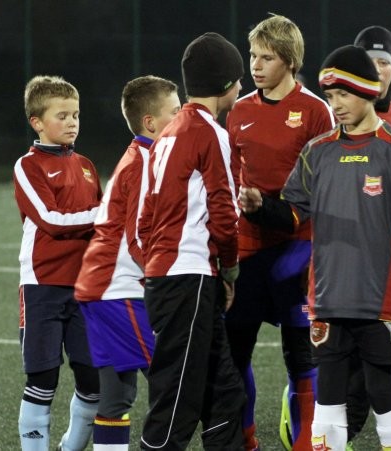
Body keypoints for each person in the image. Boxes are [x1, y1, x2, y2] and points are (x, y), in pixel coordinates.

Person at [240, 44, 391, 451]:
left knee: (382, 392)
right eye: (331, 96)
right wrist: (261, 209)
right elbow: (294, 213)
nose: (336, 104)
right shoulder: (317, 151)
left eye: (344, 94)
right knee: (328, 398)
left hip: (380, 301)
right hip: (327, 299)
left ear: (367, 91)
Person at [224, 14, 335, 451]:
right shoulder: (240, 111)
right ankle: (245, 439)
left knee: (301, 354)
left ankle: (305, 442)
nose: (255, 65)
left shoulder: (315, 111)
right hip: (248, 249)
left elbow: (323, 188)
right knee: (236, 352)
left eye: (266, 57)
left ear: (289, 60)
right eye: (253, 55)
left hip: (297, 249)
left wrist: (272, 208)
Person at [137, 32, 245, 450]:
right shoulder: (209, 132)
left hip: (169, 274)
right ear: (225, 84)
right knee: (176, 404)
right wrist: (229, 269)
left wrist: (157, 266)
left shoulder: (168, 134)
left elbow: (145, 215)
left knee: (224, 394)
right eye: (237, 78)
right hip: (189, 278)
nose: (242, 85)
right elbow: (224, 213)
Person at [74, 75, 181, 450]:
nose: (182, 117)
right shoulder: (145, 161)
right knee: (175, 380)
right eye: (175, 111)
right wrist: (170, 276)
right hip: (118, 291)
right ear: (150, 122)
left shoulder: (145, 156)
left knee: (117, 395)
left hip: (102, 288)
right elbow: (138, 237)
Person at [341, 25, 391, 447]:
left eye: (383, 63)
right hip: (342, 259)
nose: (376, 70)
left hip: (390, 263)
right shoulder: (336, 115)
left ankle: (347, 428)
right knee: (340, 364)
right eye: (368, 63)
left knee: (378, 368)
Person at [14, 75, 102, 451]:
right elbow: (51, 220)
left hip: (85, 288)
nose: (71, 123)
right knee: (43, 380)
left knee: (93, 381)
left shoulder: (86, 165)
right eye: (62, 116)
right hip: (43, 285)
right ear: (37, 122)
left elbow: (102, 228)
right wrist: (105, 215)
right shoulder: (28, 166)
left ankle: (69, 447)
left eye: (76, 115)